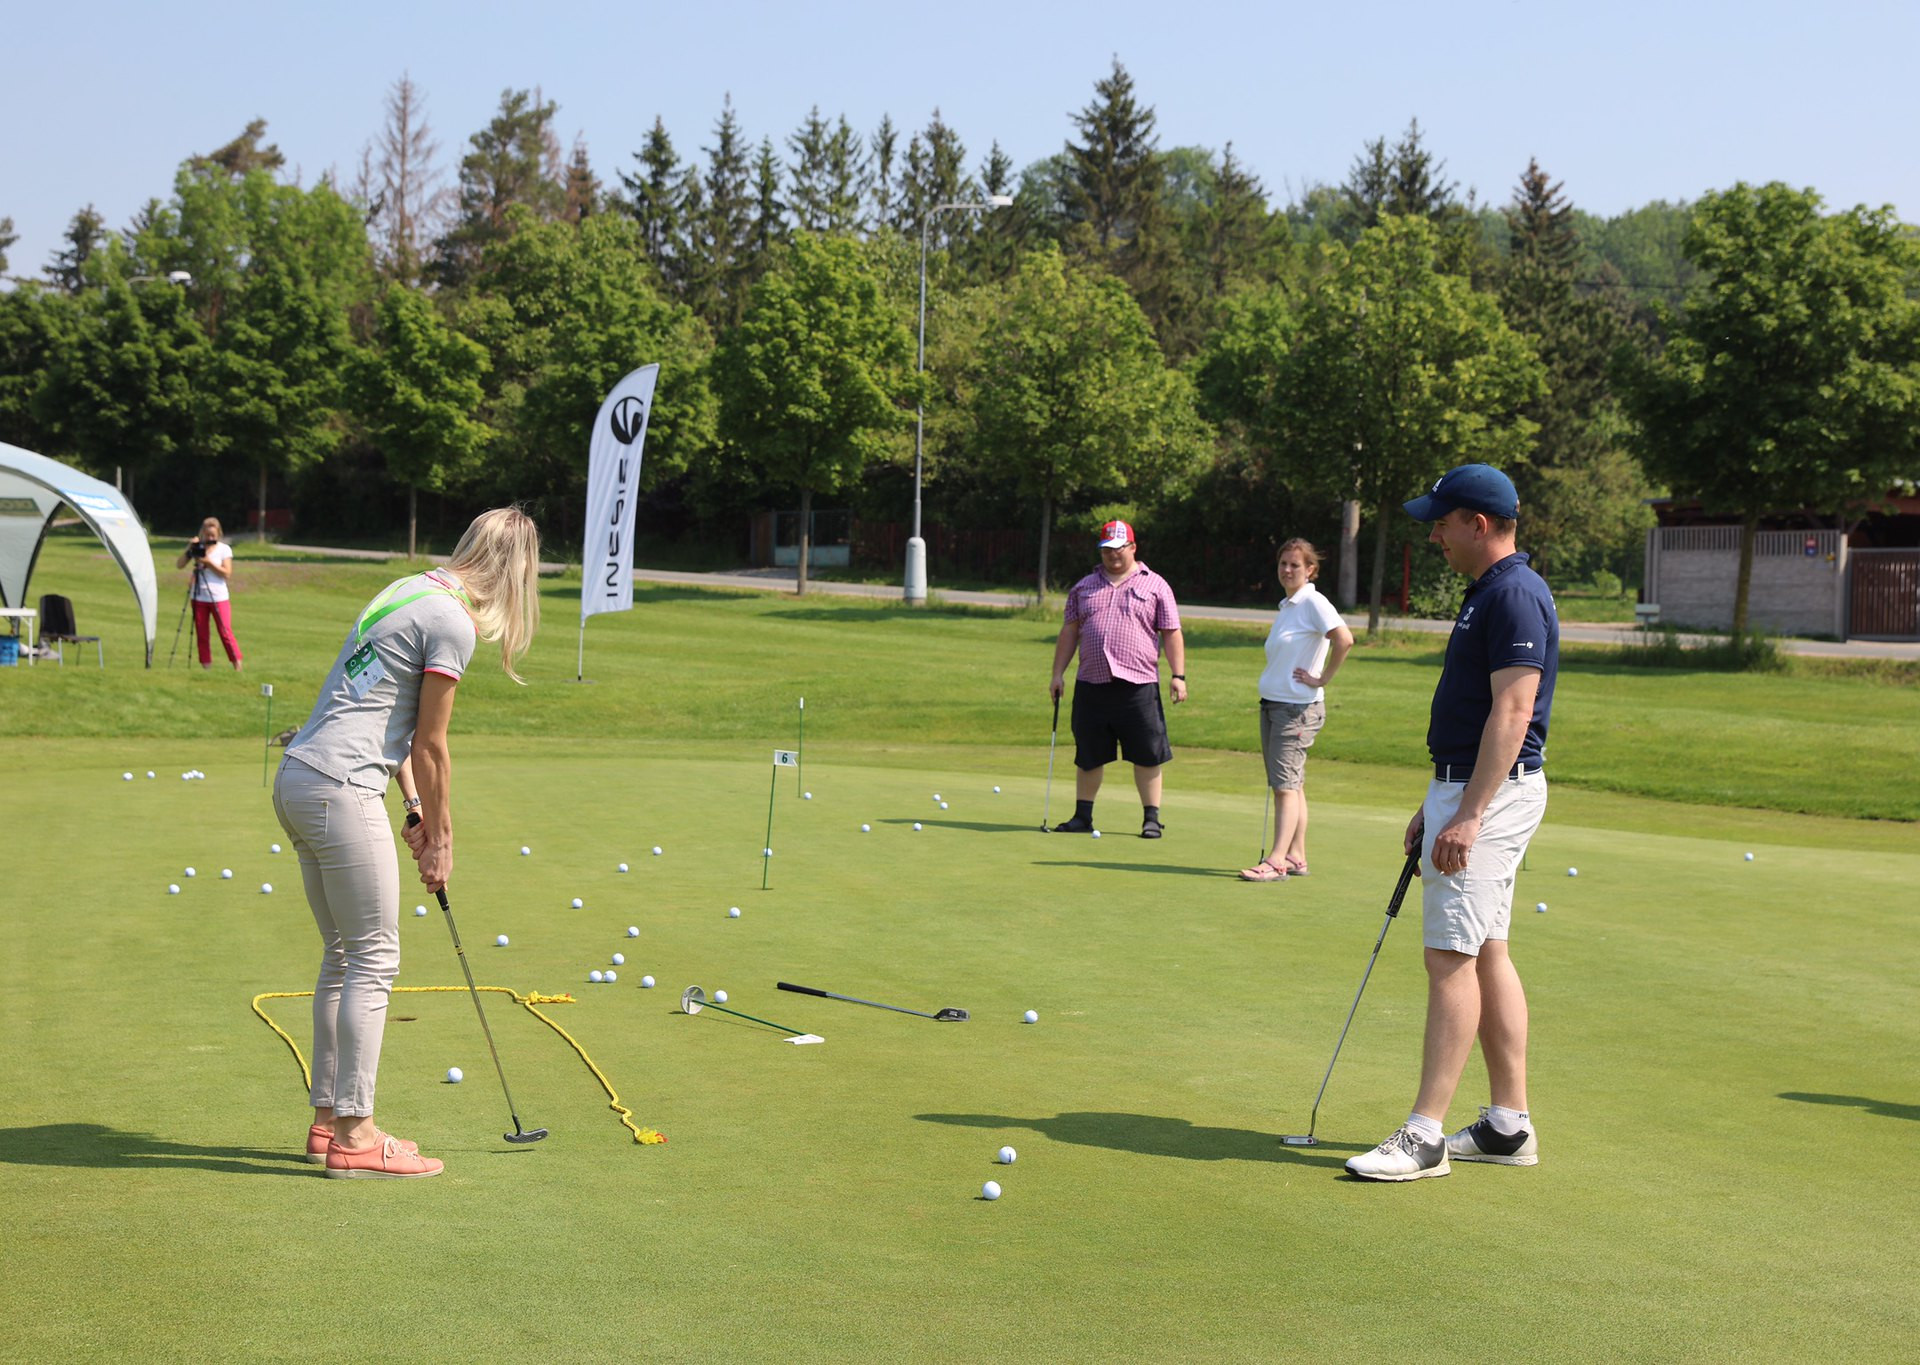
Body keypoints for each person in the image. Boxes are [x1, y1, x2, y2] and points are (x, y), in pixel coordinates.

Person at [272, 508, 541, 1179]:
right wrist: (442, 840)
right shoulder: (452, 622)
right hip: (339, 788)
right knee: (374, 958)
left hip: (300, 778)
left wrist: (416, 808)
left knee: (344, 953)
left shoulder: (407, 590)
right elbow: (432, 744)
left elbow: (379, 712)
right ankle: (357, 1135)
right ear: (515, 573)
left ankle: (329, 1121)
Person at [1344, 465, 1558, 1182]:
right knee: (1487, 949)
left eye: (1441, 520)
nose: (1432, 532)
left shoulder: (1516, 596)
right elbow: (1476, 719)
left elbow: (1513, 712)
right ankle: (1506, 1125)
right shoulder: (1490, 593)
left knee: (1450, 958)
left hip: (1488, 800)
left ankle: (1424, 1134)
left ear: (1478, 522)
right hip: (1468, 790)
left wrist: (1466, 813)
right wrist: (1434, 802)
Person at [1049, 519, 1186, 839]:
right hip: (1091, 683)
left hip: (1138, 684)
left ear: (1133, 548)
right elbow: (1070, 631)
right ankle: (1083, 816)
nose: (1112, 555)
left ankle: (1151, 818)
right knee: (1089, 754)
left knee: (1147, 753)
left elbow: (1171, 632)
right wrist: (1058, 674)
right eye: (1107, 549)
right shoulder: (1084, 587)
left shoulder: (1155, 585)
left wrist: (1178, 676)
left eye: (1119, 549)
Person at [1240, 539, 1353, 881]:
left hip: (1296, 710)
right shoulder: (1288, 606)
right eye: (1283, 564)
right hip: (1274, 705)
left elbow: (1344, 639)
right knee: (1292, 783)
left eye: (1295, 565)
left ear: (1310, 570)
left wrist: (1322, 679)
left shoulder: (1313, 602)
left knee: (1284, 786)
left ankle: (1275, 861)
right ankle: (1296, 855)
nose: (1287, 570)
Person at [174, 516, 243, 669]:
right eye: (207, 535)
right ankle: (206, 667)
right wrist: (189, 549)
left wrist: (208, 563)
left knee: (225, 631)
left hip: (219, 596)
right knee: (202, 634)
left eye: (213, 535)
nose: (210, 538)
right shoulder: (198, 548)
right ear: (202, 534)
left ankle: (237, 664)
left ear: (218, 534)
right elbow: (179, 565)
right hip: (198, 596)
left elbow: (227, 573)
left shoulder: (224, 549)